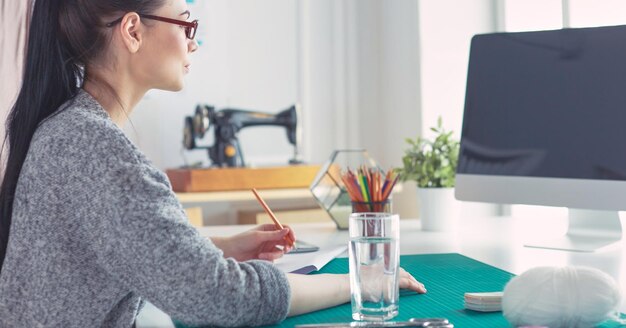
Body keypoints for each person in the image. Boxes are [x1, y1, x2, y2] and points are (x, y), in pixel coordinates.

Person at [0, 0, 427, 327]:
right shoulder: (92, 147)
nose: (194, 42)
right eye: (187, 24)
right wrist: (362, 282)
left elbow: (112, 255)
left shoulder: (73, 132)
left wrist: (215, 250)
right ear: (132, 30)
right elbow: (219, 297)